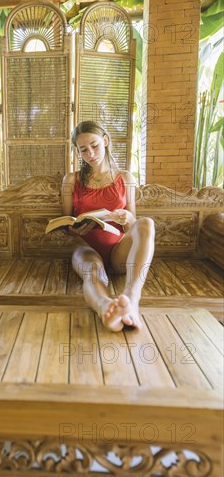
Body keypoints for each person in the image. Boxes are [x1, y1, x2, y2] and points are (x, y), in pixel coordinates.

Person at [62, 120, 155, 332]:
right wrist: (72, 228)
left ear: (105, 141)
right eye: (83, 150)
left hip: (118, 251)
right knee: (92, 271)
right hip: (85, 248)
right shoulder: (70, 180)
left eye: (94, 145)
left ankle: (132, 298)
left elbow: (134, 226)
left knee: (146, 224)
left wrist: (127, 218)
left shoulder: (125, 178)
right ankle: (106, 308)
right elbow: (66, 223)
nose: (90, 154)